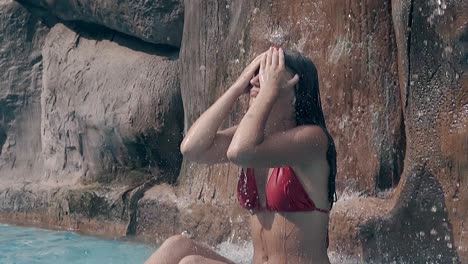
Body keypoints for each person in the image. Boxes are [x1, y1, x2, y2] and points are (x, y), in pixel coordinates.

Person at [145, 47, 337, 264]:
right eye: (256, 73)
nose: (256, 81)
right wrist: (238, 86)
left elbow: (240, 152)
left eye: (268, 74)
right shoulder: (251, 138)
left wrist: (269, 90)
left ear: (295, 91)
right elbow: (192, 150)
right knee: (176, 246)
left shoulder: (313, 139)